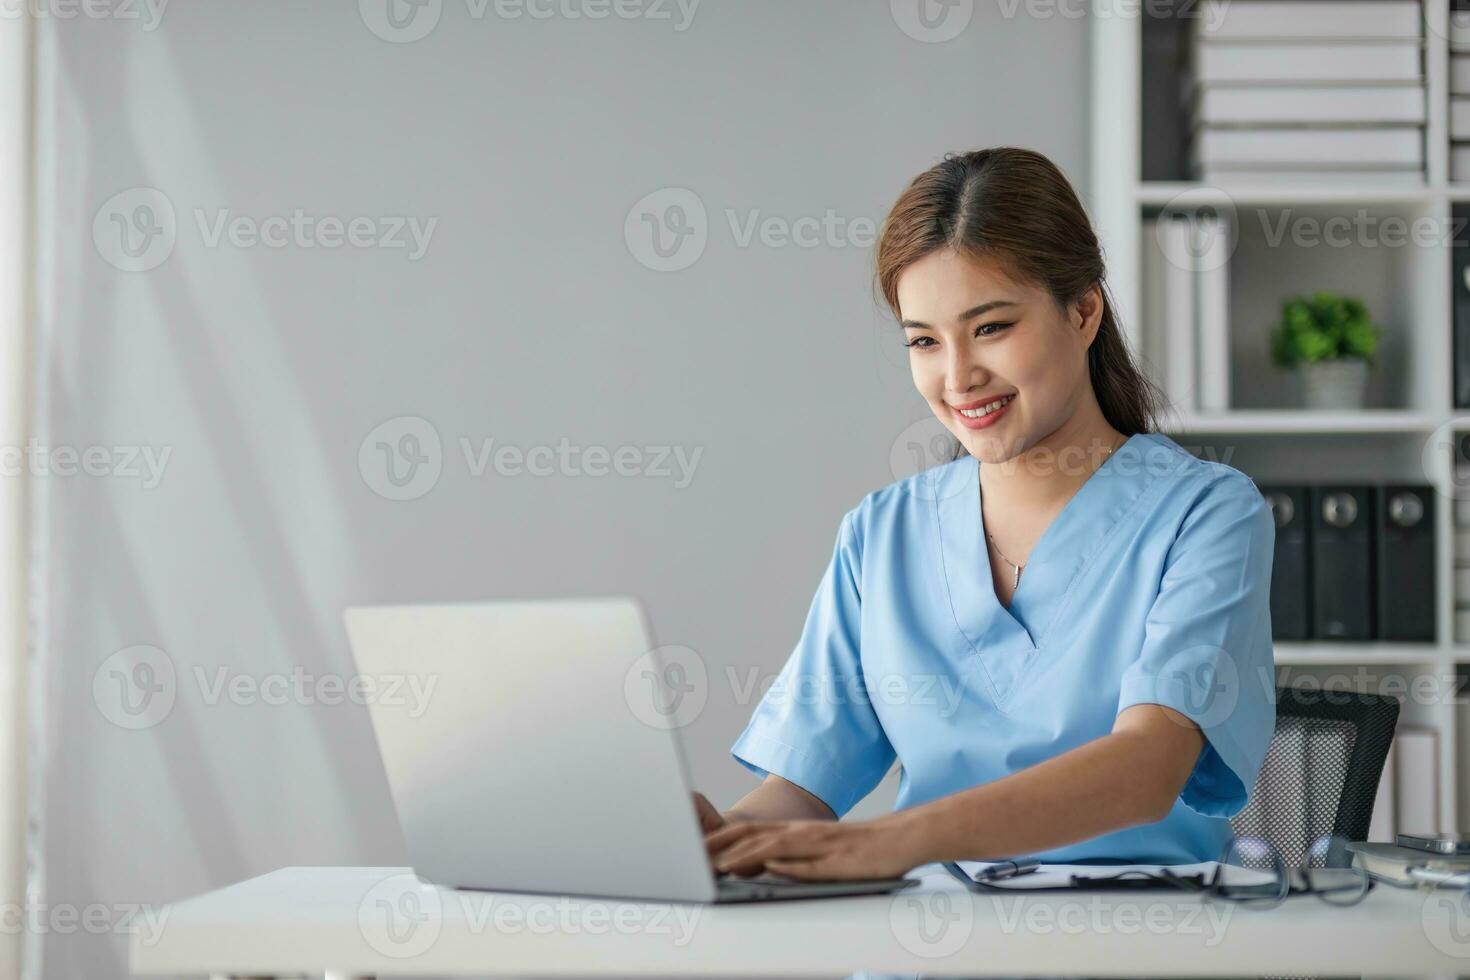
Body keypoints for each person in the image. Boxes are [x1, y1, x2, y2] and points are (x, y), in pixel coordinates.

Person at [697, 147, 1276, 881]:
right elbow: (804, 791)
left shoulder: (1205, 515)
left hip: (1129, 944)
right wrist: (718, 837)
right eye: (923, 342)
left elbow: (1148, 764)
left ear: (1083, 310)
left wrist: (896, 840)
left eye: (991, 327)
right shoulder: (883, 536)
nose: (957, 375)